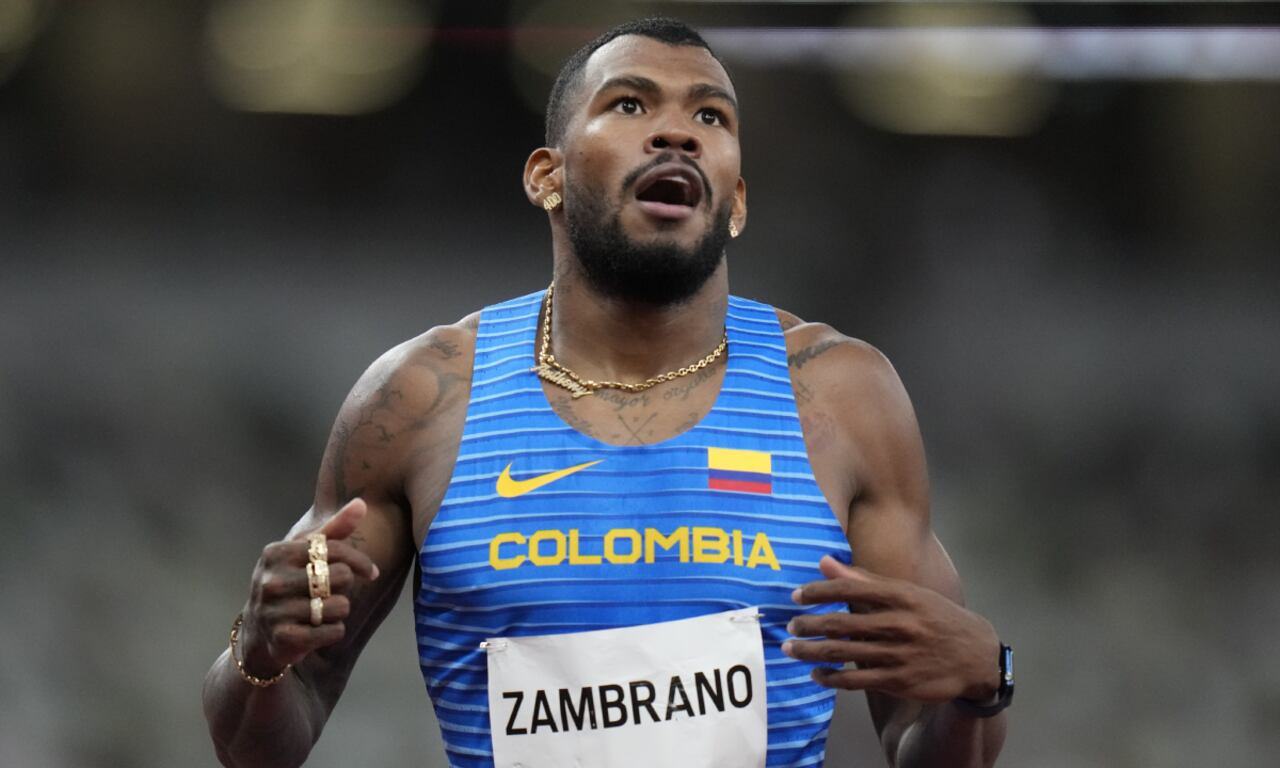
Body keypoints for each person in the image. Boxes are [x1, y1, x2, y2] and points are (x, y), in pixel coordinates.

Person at [203, 17, 1010, 768]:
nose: (676, 133)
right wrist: (259, 652)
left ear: (735, 199)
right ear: (546, 176)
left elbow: (926, 736)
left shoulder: (843, 398)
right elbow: (257, 744)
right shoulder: (421, 399)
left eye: (711, 116)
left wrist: (983, 684)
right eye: (630, 104)